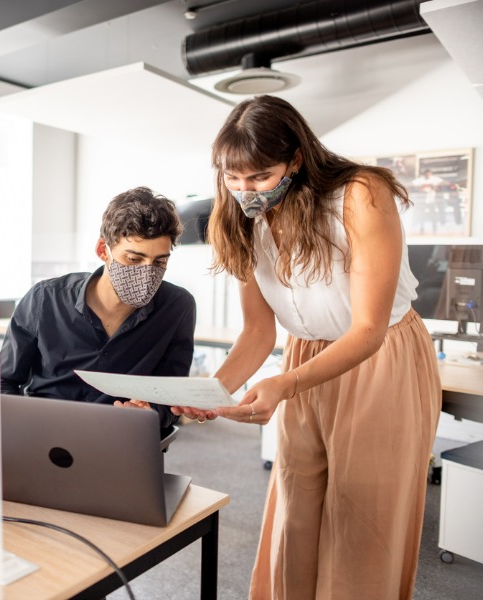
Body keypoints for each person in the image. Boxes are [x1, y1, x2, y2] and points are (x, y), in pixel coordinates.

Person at [173, 95, 441, 599]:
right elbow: (258, 331)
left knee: (362, 518)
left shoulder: (362, 194)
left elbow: (368, 329)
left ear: (296, 159)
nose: (244, 190)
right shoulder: (240, 217)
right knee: (298, 509)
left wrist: (285, 383)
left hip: (379, 357)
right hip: (302, 357)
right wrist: (214, 392)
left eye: (258, 176)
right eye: (233, 178)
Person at [0, 186, 196, 435]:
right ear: (102, 250)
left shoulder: (177, 307)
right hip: (44, 435)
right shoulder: (45, 299)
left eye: (159, 261)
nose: (147, 273)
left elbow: (170, 397)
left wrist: (151, 413)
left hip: (122, 439)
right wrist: (17, 428)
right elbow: (2, 381)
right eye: (133, 259)